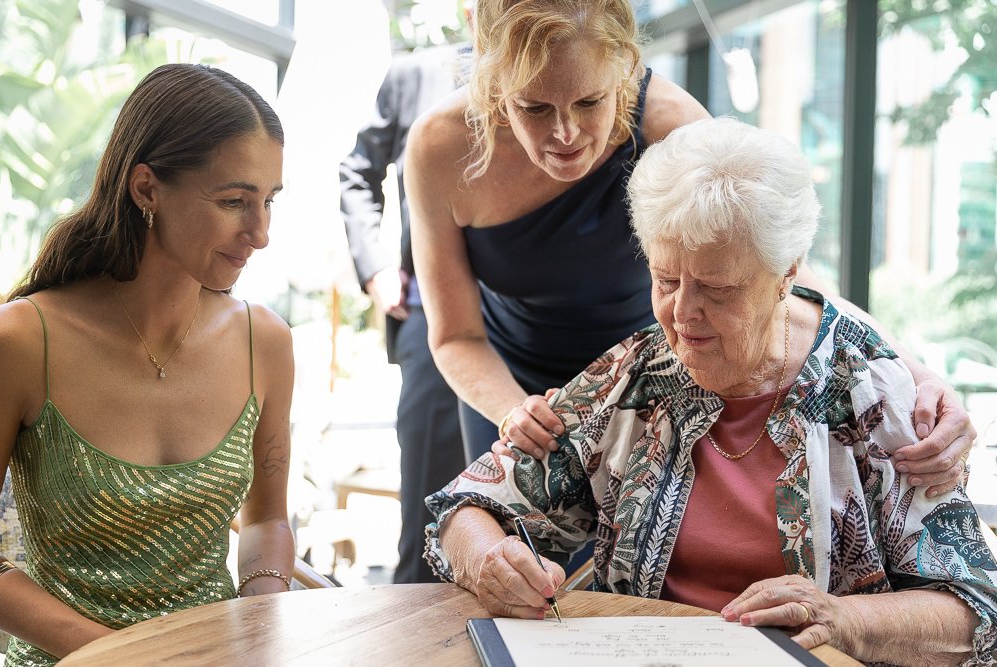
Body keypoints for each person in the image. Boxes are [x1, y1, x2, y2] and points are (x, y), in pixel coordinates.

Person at [424, 117, 997, 665]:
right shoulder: (639, 373)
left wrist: (845, 621)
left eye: (718, 289)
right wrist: (487, 560)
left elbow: (975, 612)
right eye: (666, 279)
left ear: (786, 274)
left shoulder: (871, 395)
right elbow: (465, 506)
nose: (682, 314)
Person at [406, 0, 975, 494]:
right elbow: (456, 335)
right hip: (508, 389)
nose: (565, 134)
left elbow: (777, 272)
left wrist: (915, 374)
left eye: (589, 102)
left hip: (649, 381)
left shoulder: (671, 123)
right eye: (533, 107)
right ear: (494, 85)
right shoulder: (439, 149)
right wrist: (513, 412)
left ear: (624, 69)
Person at [0, 63, 295, 665]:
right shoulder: (23, 341)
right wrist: (128, 657)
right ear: (146, 189)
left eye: (269, 201)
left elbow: (267, 518)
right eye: (234, 201)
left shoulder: (264, 341)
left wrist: (261, 612)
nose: (260, 232)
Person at [338, 3, 474, 585]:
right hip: (428, 306)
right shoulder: (412, 75)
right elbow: (357, 173)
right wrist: (374, 268)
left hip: (525, 313)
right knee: (427, 484)